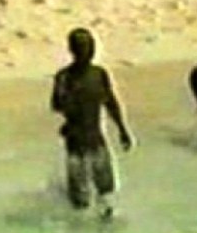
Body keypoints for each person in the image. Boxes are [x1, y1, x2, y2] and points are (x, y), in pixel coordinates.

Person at [51, 28, 135, 220]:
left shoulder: (99, 74)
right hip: (76, 144)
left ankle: (104, 226)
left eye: (90, 47)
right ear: (73, 50)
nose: (88, 51)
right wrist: (68, 102)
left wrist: (123, 129)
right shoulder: (64, 77)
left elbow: (111, 102)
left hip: (97, 140)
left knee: (107, 192)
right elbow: (56, 104)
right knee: (80, 201)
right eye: (82, 47)